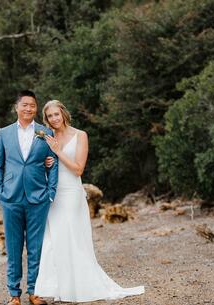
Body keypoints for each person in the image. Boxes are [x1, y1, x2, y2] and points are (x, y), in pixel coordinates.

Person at [34, 100, 145, 302]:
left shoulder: (80, 135)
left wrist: (58, 153)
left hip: (71, 193)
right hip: (53, 195)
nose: (54, 119)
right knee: (53, 240)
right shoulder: (47, 137)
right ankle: (58, 289)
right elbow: (43, 166)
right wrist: (47, 163)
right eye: (50, 116)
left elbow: (78, 169)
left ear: (63, 114)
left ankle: (82, 287)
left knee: (74, 240)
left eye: (56, 114)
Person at [0, 90, 58, 305]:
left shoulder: (45, 132)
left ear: (36, 108)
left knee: (35, 248)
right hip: (10, 198)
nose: (29, 108)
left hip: (38, 198)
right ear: (17, 107)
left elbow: (53, 162)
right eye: (25, 105)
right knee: (13, 248)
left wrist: (51, 192)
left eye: (32, 105)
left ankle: (34, 291)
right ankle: (14, 294)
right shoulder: (4, 133)